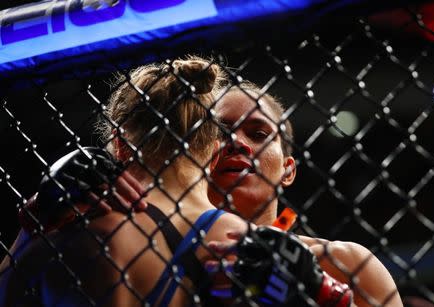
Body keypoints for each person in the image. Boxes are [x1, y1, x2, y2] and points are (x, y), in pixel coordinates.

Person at [0, 57, 250, 306]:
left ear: (120, 144)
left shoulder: (79, 225)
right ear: (215, 154)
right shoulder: (238, 240)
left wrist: (31, 229)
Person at [205, 81, 403, 307]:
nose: (236, 141)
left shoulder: (344, 263)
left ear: (287, 170)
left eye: (258, 134)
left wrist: (322, 292)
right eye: (219, 131)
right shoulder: (169, 257)